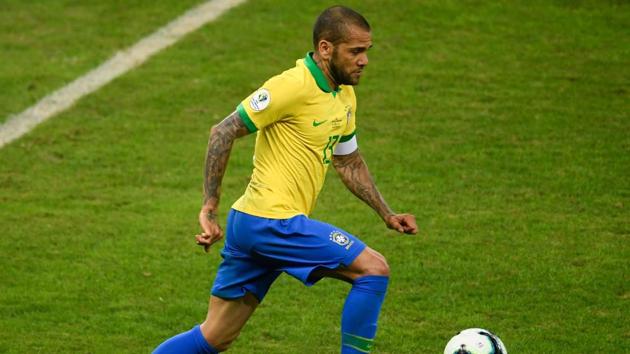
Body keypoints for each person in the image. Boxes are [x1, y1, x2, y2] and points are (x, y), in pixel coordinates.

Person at [153, 5, 417, 354]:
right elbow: (223, 131)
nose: (364, 60)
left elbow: (347, 159)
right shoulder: (290, 86)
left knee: (215, 336)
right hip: (271, 221)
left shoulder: (344, 94)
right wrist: (210, 205)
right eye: (356, 51)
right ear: (326, 48)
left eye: (367, 51)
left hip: (254, 224)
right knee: (373, 269)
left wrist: (386, 212)